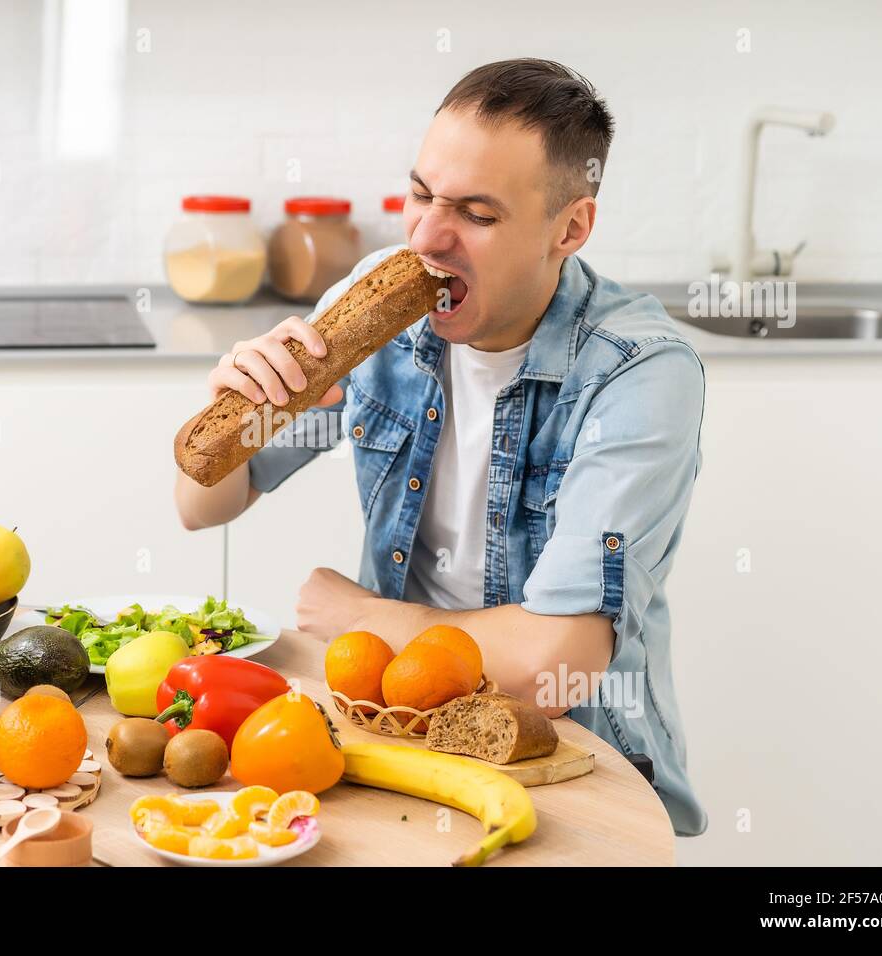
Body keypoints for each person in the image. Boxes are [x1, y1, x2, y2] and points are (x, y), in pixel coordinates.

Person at [174, 58, 706, 837]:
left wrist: (363, 616)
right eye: (420, 194)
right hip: (386, 728)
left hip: (570, 757)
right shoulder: (377, 314)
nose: (425, 236)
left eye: (477, 215)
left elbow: (552, 663)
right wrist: (236, 412)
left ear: (570, 228)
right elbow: (202, 505)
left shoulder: (638, 375)